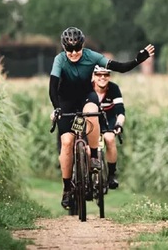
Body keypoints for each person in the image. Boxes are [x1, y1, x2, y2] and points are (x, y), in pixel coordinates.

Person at [49, 27, 155, 209]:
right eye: (69, 50)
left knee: (92, 113)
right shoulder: (59, 60)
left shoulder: (92, 56)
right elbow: (52, 87)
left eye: (77, 49)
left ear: (82, 46)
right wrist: (57, 107)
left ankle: (93, 156)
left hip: (85, 97)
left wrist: (139, 59)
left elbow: (120, 68)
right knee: (66, 142)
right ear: (64, 48)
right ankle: (67, 188)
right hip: (65, 100)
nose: (73, 53)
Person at [92, 65, 125, 190]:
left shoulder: (114, 88)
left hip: (108, 119)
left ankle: (111, 175)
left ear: (109, 76)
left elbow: (120, 111)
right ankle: (84, 173)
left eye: (105, 75)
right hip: (90, 121)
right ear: (93, 76)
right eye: (99, 74)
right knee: (87, 147)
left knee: (110, 139)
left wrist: (119, 124)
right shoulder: (86, 88)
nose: (102, 77)